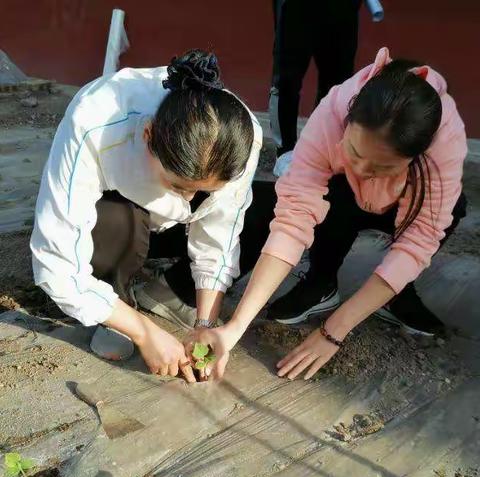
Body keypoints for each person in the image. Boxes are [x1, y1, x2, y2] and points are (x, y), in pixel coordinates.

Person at [189, 48, 468, 381]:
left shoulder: (445, 140)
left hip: (397, 209)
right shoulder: (334, 108)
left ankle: (396, 293)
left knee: (453, 207)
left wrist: (333, 331)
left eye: (383, 166)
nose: (363, 170)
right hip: (343, 202)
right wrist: (234, 328)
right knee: (329, 187)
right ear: (348, 119)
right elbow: (294, 220)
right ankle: (322, 280)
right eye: (353, 151)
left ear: (416, 155)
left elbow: (418, 240)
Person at [30, 50, 277, 382]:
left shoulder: (240, 135)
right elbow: (55, 265)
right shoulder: (95, 119)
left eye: (203, 190)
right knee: (118, 219)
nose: (191, 199)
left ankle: (170, 290)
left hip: (170, 231)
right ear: (147, 135)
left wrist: (205, 323)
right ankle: (116, 301)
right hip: (116, 226)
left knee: (271, 207)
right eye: (177, 185)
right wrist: (143, 332)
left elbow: (222, 232)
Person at [269, 0, 361, 159]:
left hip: (342, 7)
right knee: (286, 80)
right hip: (295, 7)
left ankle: (321, 149)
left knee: (337, 84)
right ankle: (285, 153)